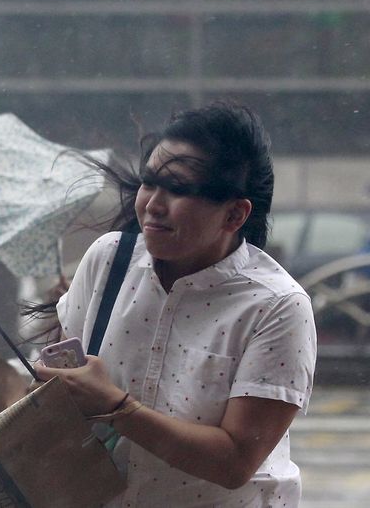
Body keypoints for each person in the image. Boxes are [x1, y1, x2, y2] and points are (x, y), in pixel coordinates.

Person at [34, 101, 317, 507]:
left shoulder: (276, 307)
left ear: (235, 214)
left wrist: (116, 408)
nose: (152, 204)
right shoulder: (108, 260)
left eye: (179, 189)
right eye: (149, 183)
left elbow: (235, 462)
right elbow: (60, 391)